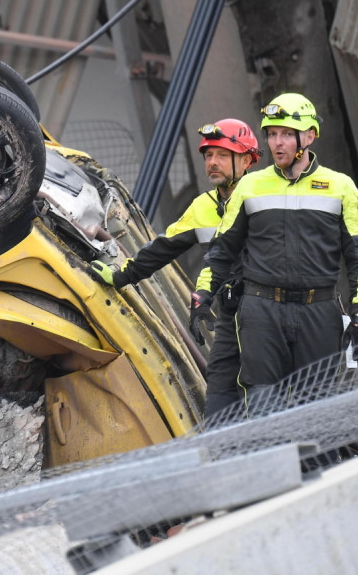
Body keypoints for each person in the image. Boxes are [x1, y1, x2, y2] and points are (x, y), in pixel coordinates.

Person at [190, 93, 358, 414]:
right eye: (272, 134)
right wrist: (202, 296)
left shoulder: (341, 187)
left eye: (286, 135)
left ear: (309, 136)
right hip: (262, 313)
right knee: (264, 410)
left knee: (316, 413)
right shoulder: (250, 187)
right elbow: (221, 252)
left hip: (319, 312)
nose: (277, 143)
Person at [90, 118, 262, 418]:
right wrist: (120, 276)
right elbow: (162, 248)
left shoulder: (268, 200)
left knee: (272, 401)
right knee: (220, 404)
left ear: (246, 159)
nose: (213, 162)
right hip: (229, 321)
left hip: (271, 318)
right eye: (208, 155)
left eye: (222, 154)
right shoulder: (202, 206)